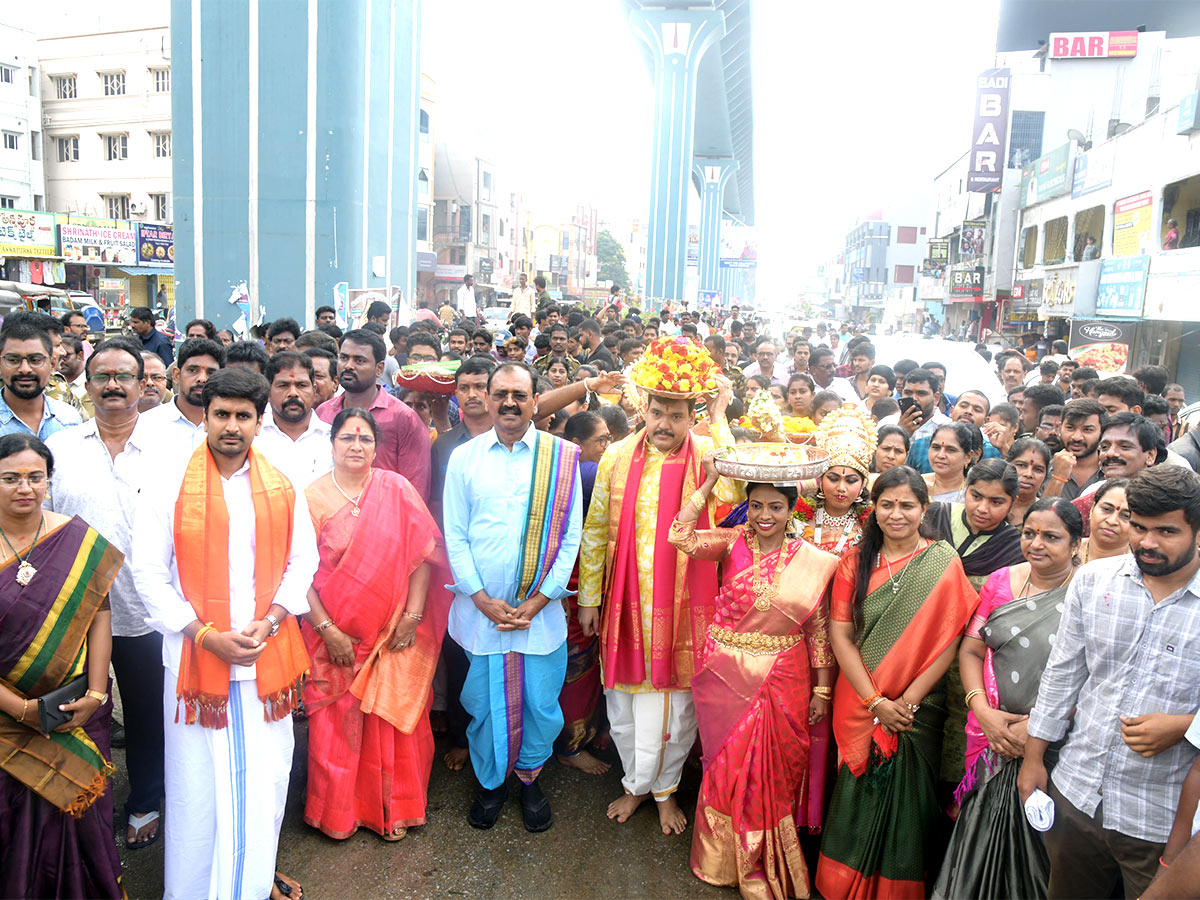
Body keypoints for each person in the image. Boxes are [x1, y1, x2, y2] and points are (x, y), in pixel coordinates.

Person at [132, 367, 317, 900]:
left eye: (243, 416)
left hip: (266, 656)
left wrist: (276, 618)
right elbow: (147, 573)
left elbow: (303, 561)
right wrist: (203, 634)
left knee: (262, 786)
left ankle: (250, 887)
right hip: (194, 663)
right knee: (197, 791)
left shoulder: (281, 483)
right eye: (221, 414)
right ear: (204, 418)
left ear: (260, 422)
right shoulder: (169, 481)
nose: (231, 426)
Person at [1019, 465, 1200, 900]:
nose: (1147, 542)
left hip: (1161, 814)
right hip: (1076, 792)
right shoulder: (1094, 579)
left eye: (1166, 531)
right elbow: (1063, 674)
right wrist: (1034, 757)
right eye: (1139, 527)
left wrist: (1185, 725)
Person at [670, 461, 839, 900]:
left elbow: (818, 629)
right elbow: (680, 535)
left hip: (785, 672)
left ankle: (761, 858)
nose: (765, 515)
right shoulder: (731, 543)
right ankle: (719, 859)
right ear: (747, 506)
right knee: (724, 761)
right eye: (757, 505)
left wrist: (822, 689)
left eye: (776, 507)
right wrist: (708, 482)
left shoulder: (813, 562)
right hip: (726, 669)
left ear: (791, 509)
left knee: (773, 767)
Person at [578, 374, 738, 836]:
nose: (664, 423)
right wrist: (590, 598)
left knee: (675, 708)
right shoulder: (617, 456)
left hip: (686, 603)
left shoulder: (709, 456)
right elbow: (595, 530)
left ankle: (665, 791)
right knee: (624, 705)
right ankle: (635, 785)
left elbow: (733, 494)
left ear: (692, 418)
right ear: (643, 411)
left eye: (676, 415)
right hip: (625, 601)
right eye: (657, 412)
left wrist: (721, 417)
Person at [816, 466, 978, 898]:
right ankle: (840, 883)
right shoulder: (855, 562)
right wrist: (875, 702)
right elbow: (840, 635)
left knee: (907, 804)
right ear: (874, 509)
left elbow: (951, 638)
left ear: (924, 509)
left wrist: (905, 701)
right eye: (886, 504)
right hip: (861, 699)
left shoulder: (943, 562)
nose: (896, 514)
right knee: (856, 790)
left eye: (907, 505)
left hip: (916, 709)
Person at [442, 362, 583, 832]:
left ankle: (529, 779)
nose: (508, 403)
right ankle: (491, 783)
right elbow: (455, 535)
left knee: (540, 703)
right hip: (480, 613)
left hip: (537, 615)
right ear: (486, 395)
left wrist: (541, 598)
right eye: (499, 392)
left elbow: (570, 540)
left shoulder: (562, 458)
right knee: (482, 703)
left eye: (519, 395)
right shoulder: (464, 457)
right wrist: (480, 598)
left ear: (535, 401)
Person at [300, 407, 451, 841]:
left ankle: (392, 810)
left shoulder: (395, 489)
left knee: (393, 723)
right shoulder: (310, 499)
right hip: (333, 638)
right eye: (347, 437)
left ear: (376, 447)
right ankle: (339, 815)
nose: (356, 446)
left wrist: (411, 617)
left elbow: (423, 555)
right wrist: (329, 631)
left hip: (394, 634)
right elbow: (299, 575)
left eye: (365, 439)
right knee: (336, 729)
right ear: (331, 443)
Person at [46, 338, 166, 851]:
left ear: (144, 384)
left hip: (150, 610)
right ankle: (76, 801)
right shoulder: (63, 447)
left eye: (124, 376)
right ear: (87, 385)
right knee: (77, 712)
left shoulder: (174, 448)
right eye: (102, 377)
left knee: (146, 712)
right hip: (75, 609)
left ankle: (146, 799)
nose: (113, 385)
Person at [935, 499, 1084, 900]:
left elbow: (1094, 672)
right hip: (988, 732)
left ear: (1075, 545)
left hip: (1054, 741)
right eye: (1029, 533)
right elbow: (970, 650)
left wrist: (1039, 726)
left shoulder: (1088, 591)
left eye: (1052, 537)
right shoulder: (1000, 580)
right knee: (977, 835)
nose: (1037, 544)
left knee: (1040, 848)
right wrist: (981, 710)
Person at [0, 433, 125, 898]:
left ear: (49, 481)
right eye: (10, 478)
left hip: (74, 710)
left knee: (78, 812)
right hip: (5, 722)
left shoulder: (78, 540)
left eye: (35, 477)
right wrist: (20, 710)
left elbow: (100, 614)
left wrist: (96, 694)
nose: (24, 487)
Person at [554, 410, 613, 776]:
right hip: (575, 582)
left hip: (587, 579)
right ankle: (570, 746)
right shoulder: (584, 471)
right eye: (602, 440)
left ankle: (589, 732)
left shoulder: (577, 472)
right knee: (578, 665)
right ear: (578, 445)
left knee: (590, 664)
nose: (608, 446)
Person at [316, 329, 431, 498]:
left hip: (385, 518)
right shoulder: (323, 413)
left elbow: (415, 490)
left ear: (379, 369)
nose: (348, 366)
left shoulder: (403, 418)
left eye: (359, 360)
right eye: (344, 358)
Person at [138, 338, 226, 461]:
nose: (202, 379)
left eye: (211, 372)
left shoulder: (230, 427)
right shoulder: (145, 425)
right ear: (176, 375)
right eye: (192, 370)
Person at [254, 351, 332, 489]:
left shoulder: (333, 438)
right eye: (283, 385)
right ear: (268, 392)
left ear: (314, 390)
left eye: (301, 385)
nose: (293, 393)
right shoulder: (253, 437)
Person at [0, 318, 83, 439]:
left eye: (35, 360)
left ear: (52, 364)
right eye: (13, 360)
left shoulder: (69, 420)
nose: (25, 369)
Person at [880, 367, 952, 473]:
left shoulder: (947, 428)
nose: (914, 398)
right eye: (908, 392)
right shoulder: (887, 423)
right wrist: (900, 432)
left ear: (936, 398)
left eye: (921, 393)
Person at [1043, 399, 1107, 501]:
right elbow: (1040, 514)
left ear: (1102, 431)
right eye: (1070, 428)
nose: (1077, 437)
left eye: (1087, 430)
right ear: (1060, 428)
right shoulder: (1043, 468)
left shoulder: (1111, 472)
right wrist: (1058, 478)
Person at [924, 421, 982, 504]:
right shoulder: (916, 485)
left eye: (951, 450)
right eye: (936, 447)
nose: (941, 455)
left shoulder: (975, 493)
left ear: (968, 456)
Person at [1079, 477, 1131, 563]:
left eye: (1125, 516)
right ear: (1092, 509)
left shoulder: (1138, 567)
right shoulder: (1066, 551)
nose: (1112, 521)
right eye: (1106, 509)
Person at [1006, 436, 1051, 525]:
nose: (1028, 474)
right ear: (1006, 466)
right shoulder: (990, 505)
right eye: (1021, 465)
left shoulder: (1052, 514)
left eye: (1038, 469)